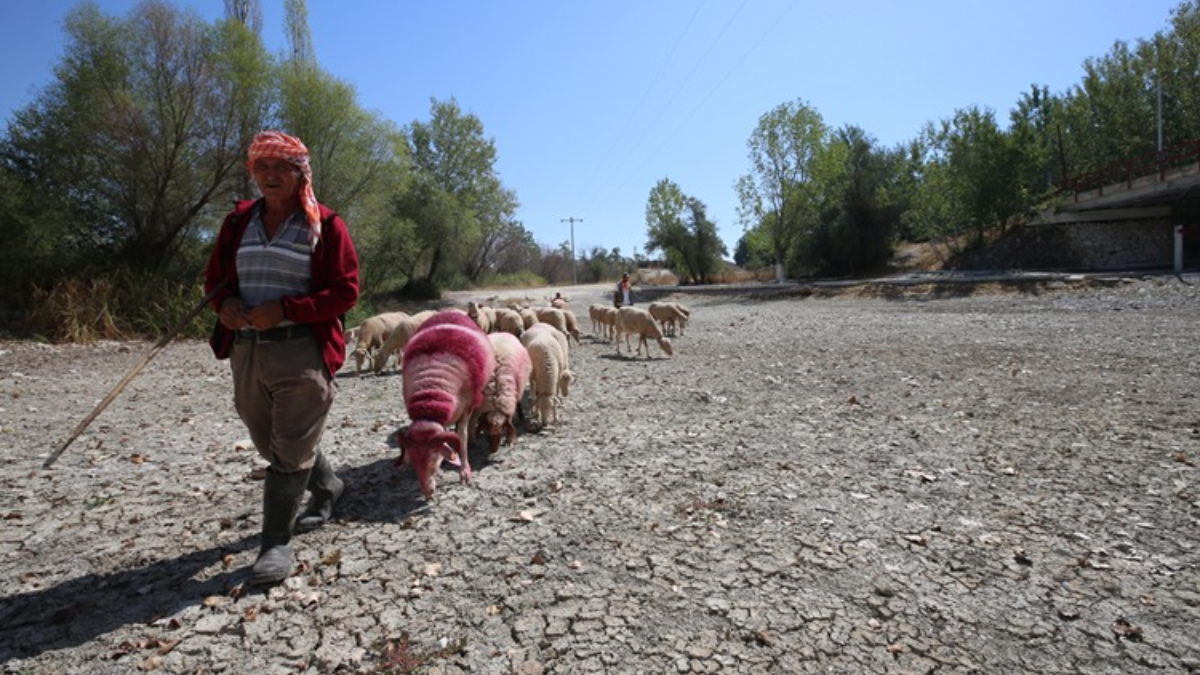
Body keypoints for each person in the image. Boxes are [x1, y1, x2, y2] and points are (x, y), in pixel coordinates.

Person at [204, 130, 359, 586]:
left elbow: (345, 290)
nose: (271, 176)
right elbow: (215, 279)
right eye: (262, 168)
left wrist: (288, 309)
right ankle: (329, 484)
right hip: (247, 349)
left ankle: (275, 543)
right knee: (267, 437)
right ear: (253, 173)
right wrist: (226, 304)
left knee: (290, 444)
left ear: (300, 174)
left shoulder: (325, 225)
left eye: (281, 168)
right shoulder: (238, 224)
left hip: (301, 350)